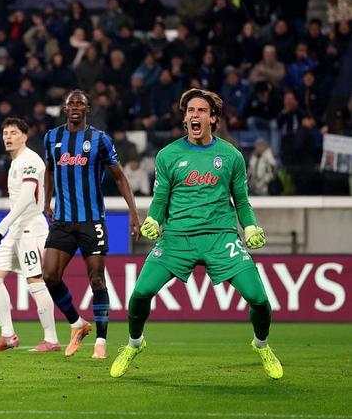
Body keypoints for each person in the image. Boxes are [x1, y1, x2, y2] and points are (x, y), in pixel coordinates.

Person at [109, 88, 283, 380]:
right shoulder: (168, 155)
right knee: (140, 294)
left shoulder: (231, 156)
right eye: (190, 111)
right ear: (185, 118)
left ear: (213, 118)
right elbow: (160, 199)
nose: (194, 115)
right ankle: (134, 344)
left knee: (259, 299)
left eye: (201, 110)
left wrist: (250, 227)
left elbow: (241, 201)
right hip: (177, 238)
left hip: (221, 237)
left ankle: (261, 345)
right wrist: (153, 221)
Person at [42, 90, 141, 359]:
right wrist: (47, 202)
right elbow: (49, 170)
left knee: (97, 279)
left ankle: (100, 341)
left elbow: (119, 177)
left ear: (88, 109)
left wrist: (133, 212)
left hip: (92, 220)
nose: (75, 106)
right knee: (49, 276)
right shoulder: (51, 138)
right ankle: (77, 323)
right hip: (63, 221)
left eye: (80, 103)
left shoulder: (100, 139)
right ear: (64, 109)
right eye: (71, 103)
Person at [0, 117, 60, 352]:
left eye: (14, 132)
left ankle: (51, 339)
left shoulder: (30, 160)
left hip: (30, 229)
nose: (8, 137)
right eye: (5, 133)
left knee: (35, 282)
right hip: (16, 230)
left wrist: (2, 226)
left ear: (24, 137)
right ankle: (8, 335)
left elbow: (27, 197)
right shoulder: (16, 162)